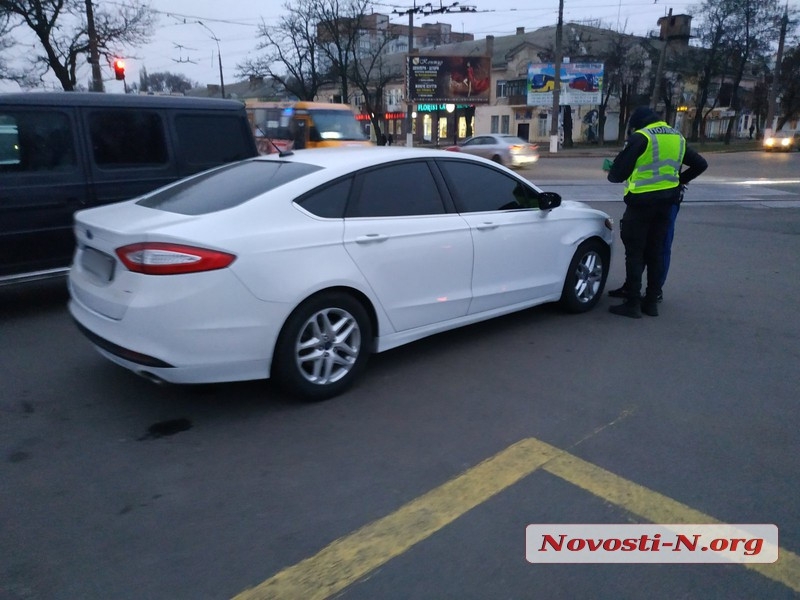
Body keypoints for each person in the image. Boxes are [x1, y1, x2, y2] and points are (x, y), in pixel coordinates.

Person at [606, 106, 707, 318]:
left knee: (634, 252)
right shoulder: (676, 137)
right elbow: (700, 164)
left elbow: (615, 175)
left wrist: (618, 163)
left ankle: (632, 303)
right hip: (667, 203)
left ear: (637, 124)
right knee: (656, 252)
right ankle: (651, 303)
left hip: (641, 204)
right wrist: (679, 181)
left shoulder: (642, 137)